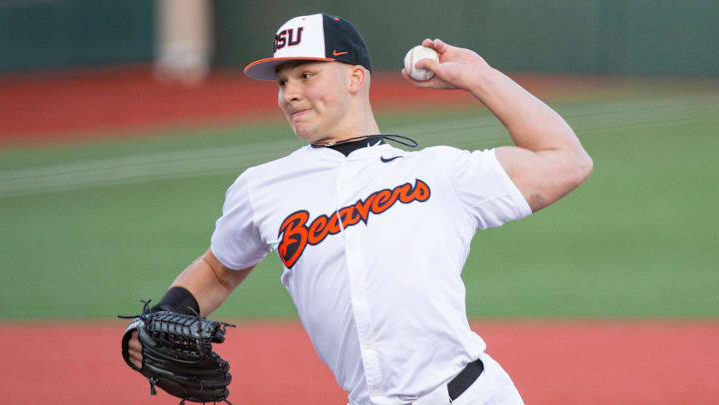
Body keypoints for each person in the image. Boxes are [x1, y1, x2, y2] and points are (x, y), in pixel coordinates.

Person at [124, 13, 592, 405]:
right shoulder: (261, 188)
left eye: (306, 75)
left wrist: (479, 78)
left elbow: (566, 161)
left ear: (355, 77)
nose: (289, 93)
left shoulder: (439, 172)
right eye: (283, 81)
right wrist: (161, 316)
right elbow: (220, 268)